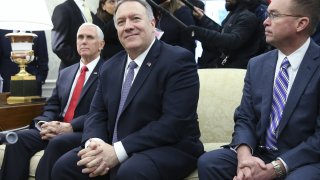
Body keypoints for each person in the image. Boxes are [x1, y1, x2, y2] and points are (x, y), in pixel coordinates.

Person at [51, 0, 204, 179]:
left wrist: (117, 151)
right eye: (121, 22)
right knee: (65, 167)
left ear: (152, 23)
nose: (128, 26)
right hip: (115, 144)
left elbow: (173, 123)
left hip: (170, 146)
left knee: (130, 172)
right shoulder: (109, 66)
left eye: (135, 19)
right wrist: (95, 144)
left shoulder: (178, 60)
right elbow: (97, 114)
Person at [197, 0, 320, 179]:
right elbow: (245, 117)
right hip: (261, 152)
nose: (265, 21)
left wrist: (275, 168)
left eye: (274, 15)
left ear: (301, 24)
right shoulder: (257, 64)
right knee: (210, 162)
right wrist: (244, 156)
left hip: (302, 158)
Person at [0, 23, 105, 180]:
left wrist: (70, 126)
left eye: (89, 37)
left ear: (101, 44)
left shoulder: (108, 71)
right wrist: (45, 124)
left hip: (82, 131)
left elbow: (101, 112)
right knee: (17, 140)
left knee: (58, 142)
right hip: (56, 127)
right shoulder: (66, 72)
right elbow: (52, 105)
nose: (84, 41)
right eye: (80, 37)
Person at [188, 0, 261, 68]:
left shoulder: (248, 17)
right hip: (227, 68)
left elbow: (232, 40)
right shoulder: (234, 14)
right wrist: (202, 18)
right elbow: (221, 32)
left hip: (237, 72)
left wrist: (199, 33)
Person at [0, 29, 48, 96]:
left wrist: (39, 79)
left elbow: (43, 58)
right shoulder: (2, 29)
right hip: (7, 83)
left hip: (32, 83)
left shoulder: (38, 29)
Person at [51, 0, 94, 70]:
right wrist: (81, 64)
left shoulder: (89, 12)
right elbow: (58, 46)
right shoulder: (62, 9)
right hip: (72, 71)